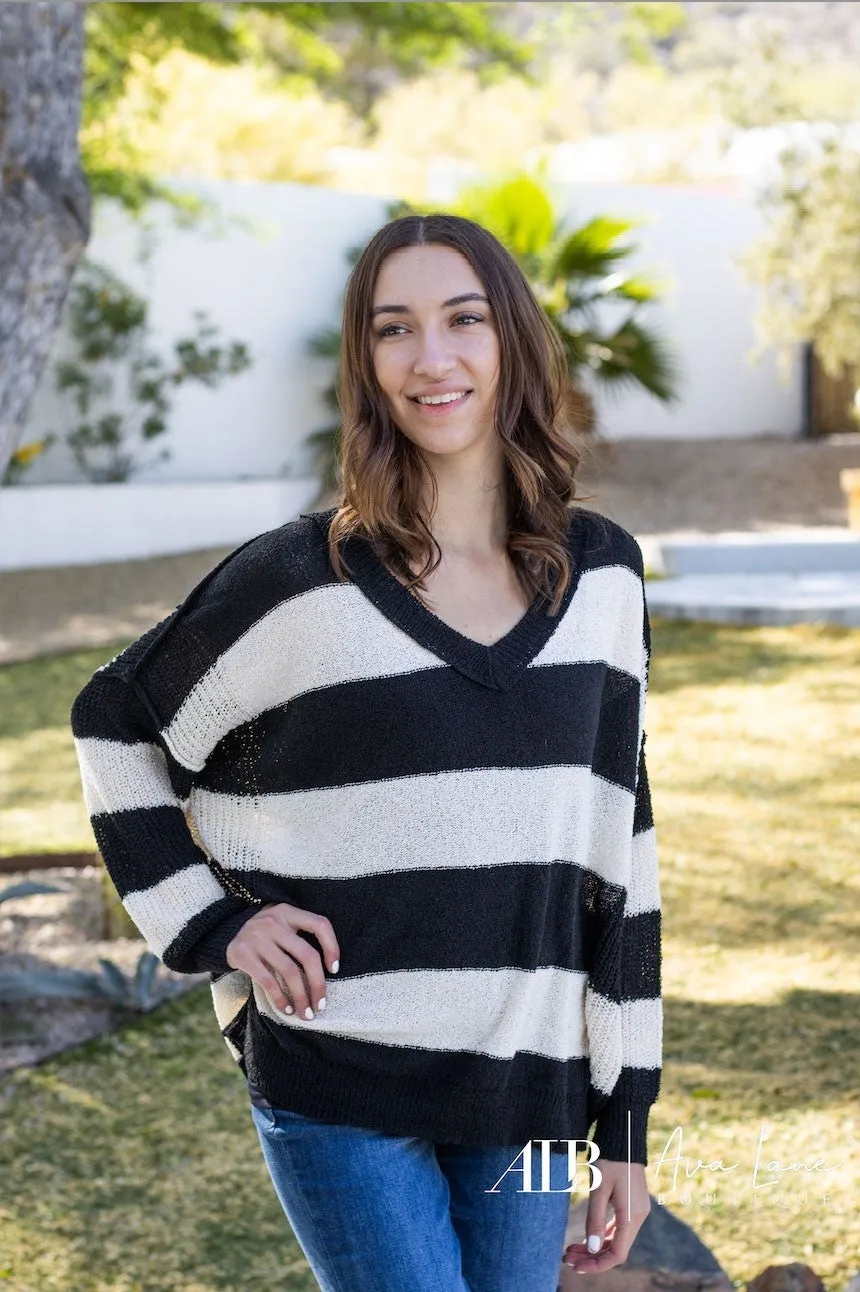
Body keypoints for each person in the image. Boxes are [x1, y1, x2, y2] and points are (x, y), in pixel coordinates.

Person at [71, 213, 663, 1291]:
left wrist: (622, 1117)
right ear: (365, 362)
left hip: (529, 1095)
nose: (431, 358)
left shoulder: (604, 578)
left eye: (462, 319)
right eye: (394, 329)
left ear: (511, 340)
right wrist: (218, 923)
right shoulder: (300, 581)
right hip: (339, 1078)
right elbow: (116, 720)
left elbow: (619, 852)